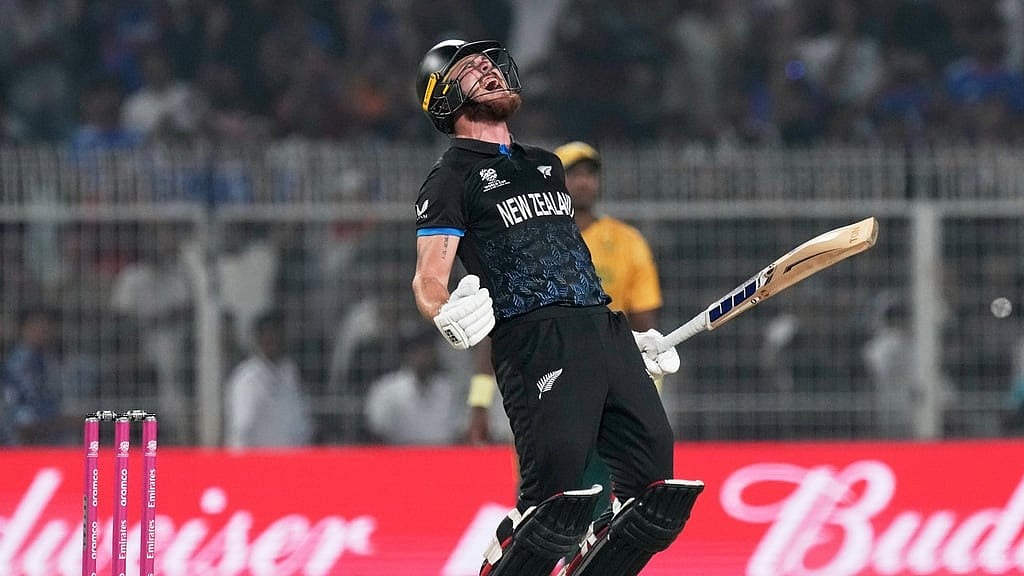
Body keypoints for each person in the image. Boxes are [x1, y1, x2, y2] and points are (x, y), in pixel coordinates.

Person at [411, 39, 702, 576]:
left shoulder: (546, 166)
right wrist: (445, 310)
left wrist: (624, 336)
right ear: (444, 97)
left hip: (602, 328)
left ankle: (594, 553)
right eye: (472, 69)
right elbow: (428, 276)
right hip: (535, 339)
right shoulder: (450, 178)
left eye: (491, 63)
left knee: (655, 481)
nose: (491, 71)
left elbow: (570, 258)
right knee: (556, 498)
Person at [224, 309, 313, 448]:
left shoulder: (291, 373)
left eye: (276, 334)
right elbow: (241, 431)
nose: (272, 340)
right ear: (258, 339)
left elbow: (301, 425)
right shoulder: (247, 379)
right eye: (267, 335)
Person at [364, 326, 464, 445]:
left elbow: (458, 433)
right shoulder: (386, 390)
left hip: (441, 458)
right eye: (417, 351)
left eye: (427, 351)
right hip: (399, 459)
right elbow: (377, 434)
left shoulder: (448, 389)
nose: (422, 357)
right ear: (408, 354)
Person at [2, 307, 76, 445]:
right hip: (22, 434)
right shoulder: (19, 363)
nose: (43, 330)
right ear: (22, 329)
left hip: (49, 429)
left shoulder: (48, 359)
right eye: (36, 325)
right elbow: (21, 412)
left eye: (46, 325)